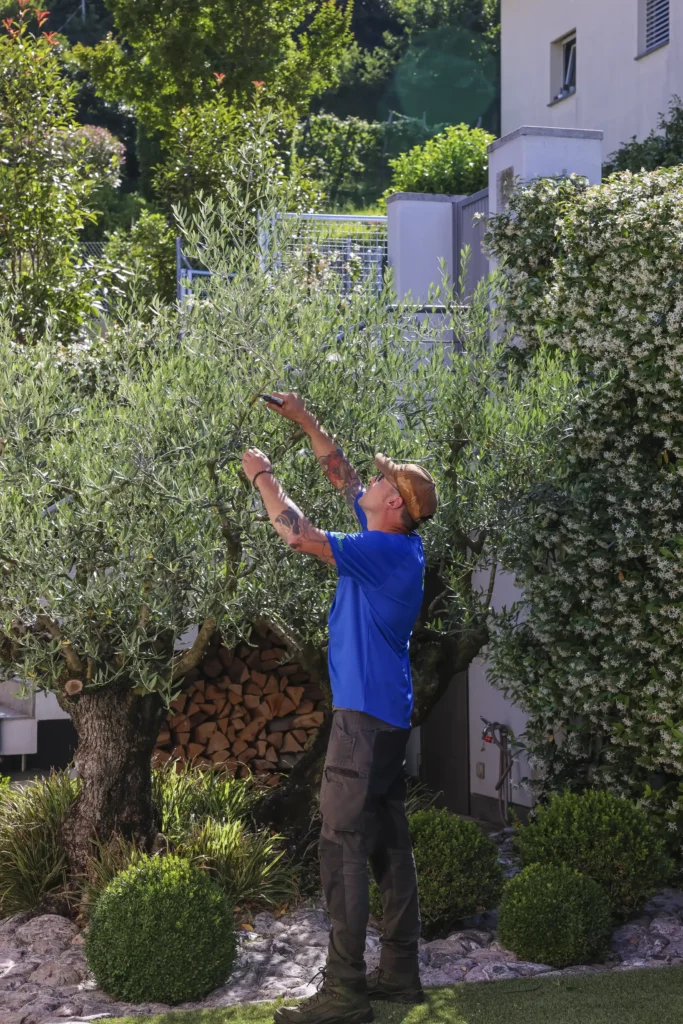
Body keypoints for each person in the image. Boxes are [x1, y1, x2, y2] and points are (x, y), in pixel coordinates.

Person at [242, 393, 438, 1024]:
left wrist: (263, 477)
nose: (370, 482)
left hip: (362, 721)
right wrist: (306, 422)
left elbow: (299, 536)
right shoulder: (395, 542)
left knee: (342, 846)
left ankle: (345, 992)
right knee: (389, 844)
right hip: (387, 717)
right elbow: (344, 477)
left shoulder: (382, 553)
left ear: (394, 506)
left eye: (384, 481)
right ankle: (400, 974)